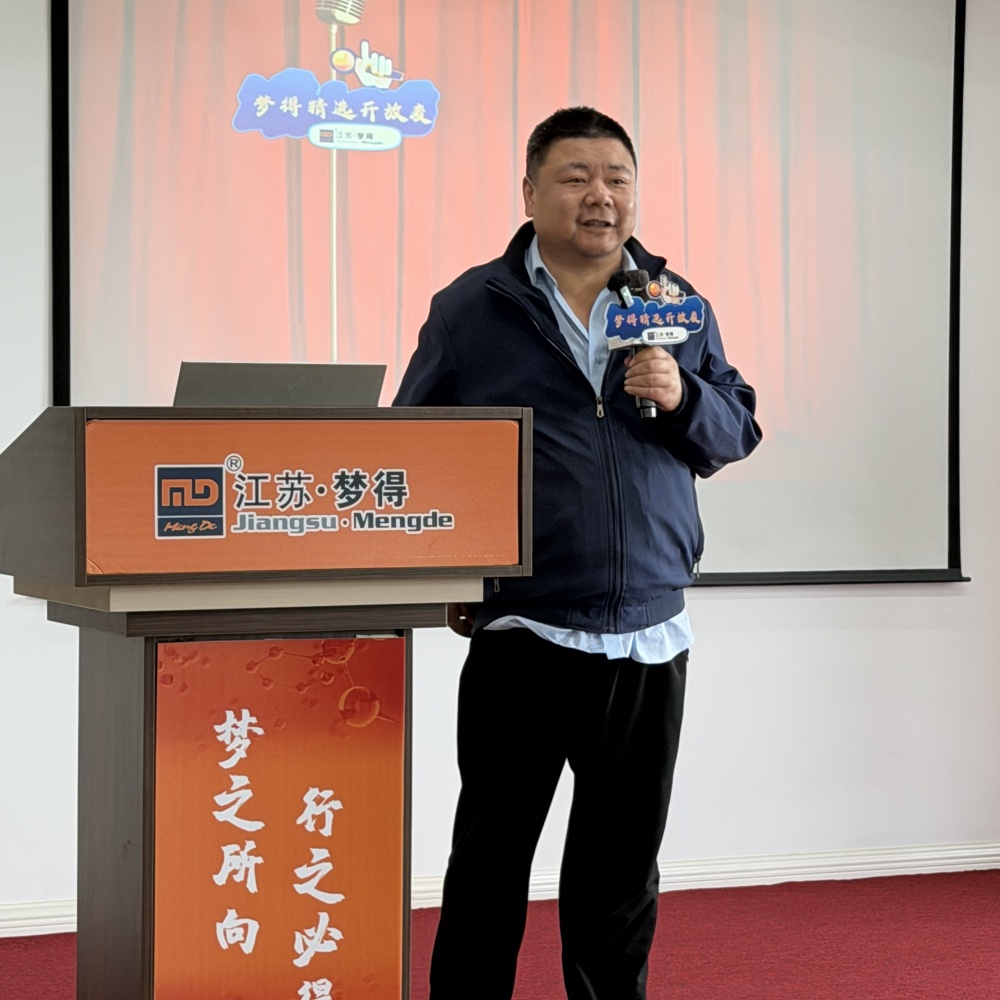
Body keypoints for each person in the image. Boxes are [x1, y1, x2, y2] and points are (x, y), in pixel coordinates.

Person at [394, 106, 761, 1000]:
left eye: (617, 178)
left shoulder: (674, 304)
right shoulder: (472, 308)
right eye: (576, 177)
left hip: (649, 633)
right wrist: (450, 571)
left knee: (620, 874)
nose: (601, 195)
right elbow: (414, 453)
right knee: (490, 864)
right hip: (528, 626)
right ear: (529, 192)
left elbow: (735, 429)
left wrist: (682, 394)